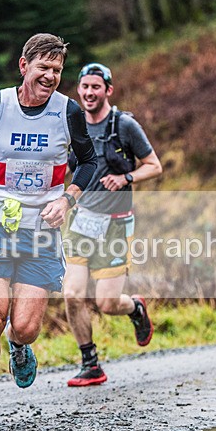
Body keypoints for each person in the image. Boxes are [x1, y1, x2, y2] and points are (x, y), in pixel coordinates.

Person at [0, 33, 98, 431]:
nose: (50, 76)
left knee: (25, 327)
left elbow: (88, 161)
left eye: (57, 70)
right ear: (23, 65)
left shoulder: (68, 112)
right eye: (43, 67)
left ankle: (20, 346)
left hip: (41, 232)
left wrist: (67, 199)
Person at [62, 62, 162, 387]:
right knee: (72, 295)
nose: (89, 93)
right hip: (80, 222)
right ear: (79, 90)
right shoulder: (73, 126)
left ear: (108, 90)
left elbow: (154, 165)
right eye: (84, 87)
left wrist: (126, 177)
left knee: (106, 303)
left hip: (116, 225)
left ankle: (134, 308)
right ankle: (90, 363)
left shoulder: (125, 125)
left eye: (96, 87)